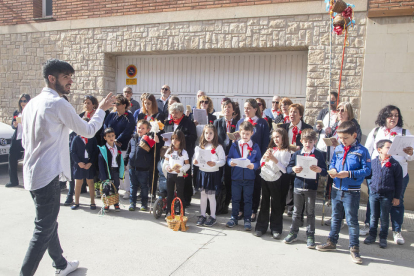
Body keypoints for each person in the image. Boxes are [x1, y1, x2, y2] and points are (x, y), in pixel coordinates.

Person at [20, 59, 115, 276]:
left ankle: (61, 265)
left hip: (31, 174)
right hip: (48, 176)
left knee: (48, 223)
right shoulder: (58, 103)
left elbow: (25, 142)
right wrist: (100, 109)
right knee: (43, 229)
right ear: (51, 79)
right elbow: (88, 130)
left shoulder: (32, 103)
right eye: (66, 77)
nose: (71, 81)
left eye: (71, 76)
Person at [316, 121, 371, 265]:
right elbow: (333, 162)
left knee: (352, 221)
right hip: (336, 189)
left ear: (354, 135)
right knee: (335, 218)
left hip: (351, 191)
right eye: (340, 138)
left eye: (345, 138)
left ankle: (354, 248)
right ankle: (332, 242)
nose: (342, 141)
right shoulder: (339, 148)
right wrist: (333, 171)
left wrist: (349, 173)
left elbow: (367, 171)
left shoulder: (362, 151)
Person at [362, 105, 413, 244]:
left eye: (396, 115)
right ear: (384, 116)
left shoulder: (404, 132)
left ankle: (396, 231)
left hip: (398, 174)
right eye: (390, 115)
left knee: (397, 201)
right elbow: (367, 151)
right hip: (378, 173)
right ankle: (369, 226)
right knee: (373, 200)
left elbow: (411, 156)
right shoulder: (376, 131)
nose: (393, 118)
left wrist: (410, 153)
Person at [283, 129, 327, 248]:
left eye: (311, 142)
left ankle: (310, 235)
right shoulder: (297, 154)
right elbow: (288, 168)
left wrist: (320, 170)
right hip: (298, 186)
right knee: (296, 212)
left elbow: (325, 171)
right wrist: (293, 169)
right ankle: (293, 232)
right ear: (301, 141)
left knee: (311, 212)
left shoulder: (318, 154)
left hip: (311, 188)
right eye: (306, 141)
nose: (308, 144)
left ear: (315, 142)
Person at [364, 139, 402, 249]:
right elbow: (369, 176)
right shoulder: (373, 162)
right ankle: (372, 235)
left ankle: (383, 237)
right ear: (379, 149)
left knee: (384, 217)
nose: (391, 149)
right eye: (388, 147)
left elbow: (399, 182)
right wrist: (371, 188)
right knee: (373, 216)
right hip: (374, 194)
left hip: (387, 195)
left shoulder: (395, 164)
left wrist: (396, 197)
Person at [236, 99, 270, 221]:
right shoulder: (240, 121)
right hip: (241, 159)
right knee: (241, 185)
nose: (246, 110)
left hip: (255, 160)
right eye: (245, 108)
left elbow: (265, 143)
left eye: (249, 108)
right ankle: (240, 209)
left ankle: (253, 210)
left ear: (256, 109)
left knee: (254, 186)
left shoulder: (262, 123)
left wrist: (260, 161)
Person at [254, 128, 291, 239]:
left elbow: (284, 169)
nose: (276, 139)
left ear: (283, 137)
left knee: (276, 204)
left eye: (278, 137)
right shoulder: (271, 149)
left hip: (277, 179)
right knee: (264, 202)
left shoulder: (286, 152)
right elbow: (261, 162)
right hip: (266, 176)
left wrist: (274, 159)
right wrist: (265, 158)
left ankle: (276, 228)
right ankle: (261, 227)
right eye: (274, 137)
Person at [226, 121, 261, 231]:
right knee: (235, 199)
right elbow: (229, 158)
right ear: (239, 133)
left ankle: (247, 219)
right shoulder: (234, 145)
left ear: (251, 133)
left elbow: (259, 161)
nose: (245, 136)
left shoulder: (255, 146)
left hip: (249, 178)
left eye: (247, 134)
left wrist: (254, 166)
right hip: (236, 177)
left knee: (248, 199)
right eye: (243, 133)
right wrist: (230, 163)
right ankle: (234, 218)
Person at [279, 103, 313, 216]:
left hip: (300, 159)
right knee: (285, 183)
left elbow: (310, 145)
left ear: (301, 115)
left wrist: (300, 148)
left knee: (297, 185)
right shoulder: (283, 127)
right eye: (290, 112)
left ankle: (298, 212)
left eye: (295, 112)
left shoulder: (307, 128)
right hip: (285, 158)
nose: (292, 114)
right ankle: (287, 206)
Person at [163, 103, 197, 206]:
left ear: (182, 112)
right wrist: (165, 138)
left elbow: (193, 137)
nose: (174, 114)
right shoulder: (168, 123)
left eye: (176, 112)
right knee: (169, 174)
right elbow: (164, 133)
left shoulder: (188, 122)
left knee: (184, 177)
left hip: (184, 152)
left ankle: (185, 199)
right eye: (172, 112)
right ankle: (170, 198)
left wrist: (180, 140)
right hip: (170, 152)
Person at [103, 95, 135, 199]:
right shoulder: (112, 115)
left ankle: (127, 190)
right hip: (111, 146)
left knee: (124, 168)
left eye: (118, 104)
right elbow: (105, 126)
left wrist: (117, 140)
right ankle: (115, 189)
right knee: (113, 168)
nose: (115, 105)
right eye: (115, 103)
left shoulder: (129, 116)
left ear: (124, 105)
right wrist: (110, 139)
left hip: (123, 146)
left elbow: (128, 130)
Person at [134, 93, 165, 196]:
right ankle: (142, 190)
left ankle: (152, 191)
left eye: (149, 103)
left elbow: (161, 131)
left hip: (154, 144)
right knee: (142, 167)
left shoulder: (159, 115)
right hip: (143, 143)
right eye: (145, 103)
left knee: (152, 168)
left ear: (153, 104)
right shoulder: (141, 115)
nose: (146, 105)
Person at [194, 125, 225, 227]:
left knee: (211, 196)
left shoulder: (218, 147)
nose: (208, 135)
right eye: (206, 133)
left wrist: (215, 163)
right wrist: (195, 162)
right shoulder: (200, 146)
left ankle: (212, 216)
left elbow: (223, 161)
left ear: (214, 134)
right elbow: (196, 160)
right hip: (203, 173)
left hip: (212, 174)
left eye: (211, 133)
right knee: (203, 195)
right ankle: (202, 215)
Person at [124, 120, 159, 211]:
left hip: (143, 168)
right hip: (132, 166)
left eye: (143, 128)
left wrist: (156, 143)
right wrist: (125, 162)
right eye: (139, 127)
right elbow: (128, 152)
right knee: (133, 186)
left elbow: (154, 154)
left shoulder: (149, 140)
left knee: (144, 186)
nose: (140, 129)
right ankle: (132, 203)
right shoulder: (132, 138)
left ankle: (144, 204)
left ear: (148, 130)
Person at [213, 99, 238, 213]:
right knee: (218, 180)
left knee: (228, 181)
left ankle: (226, 204)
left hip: (232, 156)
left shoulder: (238, 123)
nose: (226, 109)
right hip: (220, 155)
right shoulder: (217, 122)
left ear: (233, 110)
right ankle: (217, 205)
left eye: (229, 106)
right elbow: (213, 140)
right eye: (224, 107)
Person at [70, 118, 99, 210]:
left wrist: (90, 162)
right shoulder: (76, 138)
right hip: (79, 164)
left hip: (89, 164)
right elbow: (72, 151)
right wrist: (78, 162)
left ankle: (92, 202)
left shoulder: (92, 138)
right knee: (78, 183)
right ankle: (76, 202)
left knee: (90, 182)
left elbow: (95, 151)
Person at [191, 95, 217, 193]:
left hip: (208, 143)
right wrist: (193, 124)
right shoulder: (193, 116)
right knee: (196, 164)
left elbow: (214, 130)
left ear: (209, 104)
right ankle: (195, 186)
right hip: (197, 142)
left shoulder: (212, 117)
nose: (204, 104)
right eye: (202, 102)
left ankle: (204, 185)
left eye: (206, 102)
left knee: (205, 163)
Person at [162, 130, 191, 215]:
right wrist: (168, 168)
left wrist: (181, 170)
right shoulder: (169, 150)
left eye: (177, 139)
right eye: (173, 138)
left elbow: (187, 165)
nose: (174, 141)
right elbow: (165, 162)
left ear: (181, 140)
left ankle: (181, 213)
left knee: (180, 194)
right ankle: (169, 212)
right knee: (170, 194)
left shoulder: (184, 152)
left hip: (179, 176)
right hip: (170, 175)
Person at [6, 94, 31, 188]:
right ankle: (13, 181)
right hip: (17, 138)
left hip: (27, 138)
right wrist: (14, 125)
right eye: (21, 101)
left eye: (25, 101)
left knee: (27, 160)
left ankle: (27, 182)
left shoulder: (30, 112)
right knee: (12, 158)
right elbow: (13, 125)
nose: (23, 103)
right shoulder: (17, 112)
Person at [98, 127, 125, 212]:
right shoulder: (103, 150)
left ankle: (116, 203)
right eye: (108, 136)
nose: (111, 138)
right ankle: (106, 204)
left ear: (115, 136)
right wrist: (103, 176)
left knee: (116, 187)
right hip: (107, 171)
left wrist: (121, 171)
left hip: (115, 170)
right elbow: (101, 164)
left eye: (112, 136)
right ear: (105, 138)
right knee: (106, 187)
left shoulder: (117, 148)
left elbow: (120, 160)